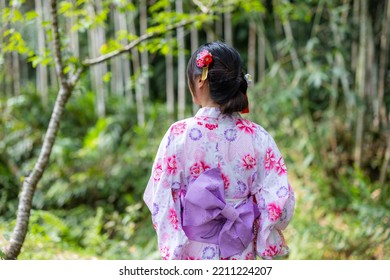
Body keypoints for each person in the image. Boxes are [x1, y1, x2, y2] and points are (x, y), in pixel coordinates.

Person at [143, 41, 295, 260]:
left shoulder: (178, 135)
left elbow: (160, 199)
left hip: (192, 253)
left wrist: (174, 246)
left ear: (199, 81)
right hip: (239, 252)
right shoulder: (257, 137)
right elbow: (281, 202)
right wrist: (259, 229)